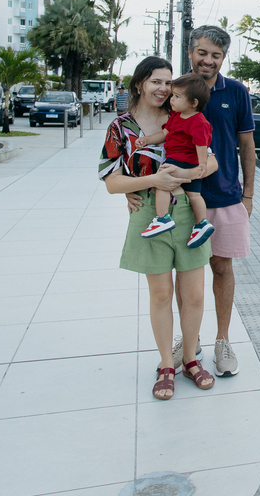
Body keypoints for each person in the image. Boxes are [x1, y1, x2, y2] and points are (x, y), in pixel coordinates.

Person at [100, 56, 218, 400]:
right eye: (156, 81)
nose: (164, 89)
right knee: (161, 294)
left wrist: (185, 175)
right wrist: (152, 181)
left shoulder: (182, 114)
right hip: (150, 212)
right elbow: (111, 181)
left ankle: (190, 359)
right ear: (140, 84)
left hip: (188, 212)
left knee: (194, 294)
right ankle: (167, 364)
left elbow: (210, 161)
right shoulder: (121, 128)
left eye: (168, 82)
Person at [177, 26, 256, 376]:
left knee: (222, 268)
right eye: (202, 53)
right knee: (186, 274)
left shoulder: (236, 92)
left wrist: (248, 194)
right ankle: (189, 340)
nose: (208, 60)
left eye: (216, 55)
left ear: (223, 58)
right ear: (190, 52)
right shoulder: (176, 90)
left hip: (225, 198)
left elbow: (247, 147)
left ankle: (222, 340)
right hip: (183, 198)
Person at [135, 73, 217, 248]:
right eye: (173, 95)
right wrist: (147, 140)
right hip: (189, 163)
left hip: (179, 160)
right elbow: (164, 134)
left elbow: (201, 144)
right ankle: (201, 223)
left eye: (177, 96)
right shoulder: (176, 117)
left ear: (193, 103)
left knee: (162, 185)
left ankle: (162, 218)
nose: (171, 99)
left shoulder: (198, 121)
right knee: (194, 195)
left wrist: (203, 163)